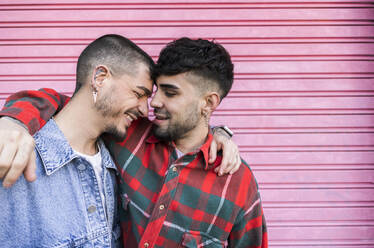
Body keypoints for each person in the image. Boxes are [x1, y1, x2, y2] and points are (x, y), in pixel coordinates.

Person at [0, 35, 242, 247]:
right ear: (100, 78)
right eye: (139, 94)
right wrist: (13, 120)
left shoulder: (122, 148)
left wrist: (219, 133)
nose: (147, 108)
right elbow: (65, 102)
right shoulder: (16, 156)